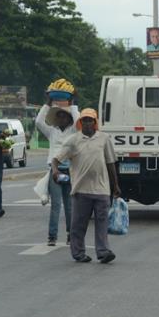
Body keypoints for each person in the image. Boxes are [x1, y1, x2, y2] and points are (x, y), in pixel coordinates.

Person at [51, 109, 121, 264]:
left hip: (101, 189)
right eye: (85, 120)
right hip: (81, 189)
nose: (87, 123)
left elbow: (110, 163)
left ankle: (103, 252)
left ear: (95, 122)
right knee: (78, 225)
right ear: (80, 123)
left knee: (102, 223)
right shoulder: (73, 140)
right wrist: (55, 171)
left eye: (90, 120)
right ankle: (78, 253)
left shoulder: (104, 139)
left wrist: (115, 185)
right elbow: (56, 159)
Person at [35, 96, 81, 246]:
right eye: (59, 116)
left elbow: (78, 121)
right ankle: (52, 236)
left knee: (69, 205)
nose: (61, 119)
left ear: (68, 118)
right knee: (55, 205)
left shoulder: (74, 130)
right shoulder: (51, 132)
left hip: (69, 170)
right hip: (55, 171)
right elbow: (38, 122)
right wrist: (47, 103)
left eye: (64, 116)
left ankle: (70, 234)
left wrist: (73, 105)